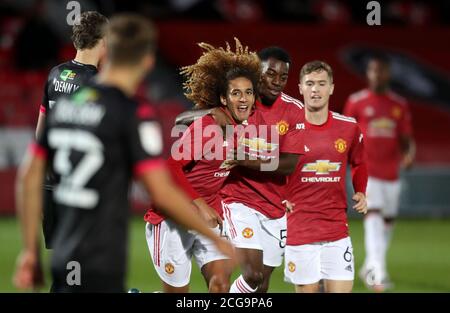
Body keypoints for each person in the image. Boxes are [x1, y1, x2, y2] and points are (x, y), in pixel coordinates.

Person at [13, 13, 234, 293]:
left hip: (65, 235)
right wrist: (214, 237)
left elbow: (29, 176)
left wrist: (30, 251)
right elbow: (162, 191)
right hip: (101, 244)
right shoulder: (131, 112)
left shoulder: (69, 103)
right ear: (148, 61)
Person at [144, 40, 261, 293]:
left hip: (212, 217)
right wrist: (200, 205)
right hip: (173, 216)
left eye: (249, 92)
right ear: (223, 98)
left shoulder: (245, 128)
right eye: (236, 93)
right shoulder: (208, 128)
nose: (243, 99)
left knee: (220, 285)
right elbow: (171, 168)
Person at [284, 60, 368, 293]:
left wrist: (360, 190)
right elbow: (270, 169)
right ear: (300, 88)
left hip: (336, 231)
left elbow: (359, 162)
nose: (315, 89)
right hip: (299, 231)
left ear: (331, 87)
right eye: (310, 83)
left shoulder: (348, 127)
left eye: (321, 83)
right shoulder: (287, 129)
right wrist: (278, 196)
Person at [344, 53, 415, 292]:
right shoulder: (356, 101)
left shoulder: (399, 105)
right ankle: (377, 273)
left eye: (382, 70)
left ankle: (369, 266)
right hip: (367, 170)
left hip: (391, 174)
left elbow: (406, 138)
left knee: (387, 222)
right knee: (373, 215)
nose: (378, 75)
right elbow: (346, 134)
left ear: (388, 74)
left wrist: (409, 154)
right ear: (368, 73)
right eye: (374, 70)